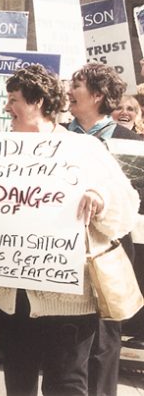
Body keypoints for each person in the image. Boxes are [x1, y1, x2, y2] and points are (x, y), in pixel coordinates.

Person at [0, 64, 138, 395]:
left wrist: (100, 198)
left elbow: (125, 209)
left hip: (68, 301)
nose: (6, 107)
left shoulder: (84, 150)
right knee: (18, 382)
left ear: (37, 102)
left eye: (13, 99)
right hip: (11, 299)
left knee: (66, 384)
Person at [66, 62, 142, 396]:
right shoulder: (59, 138)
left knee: (105, 342)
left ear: (97, 95)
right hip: (66, 253)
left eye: (76, 85)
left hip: (110, 253)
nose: (69, 90)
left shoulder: (131, 143)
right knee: (70, 345)